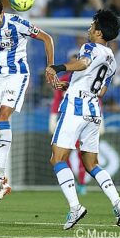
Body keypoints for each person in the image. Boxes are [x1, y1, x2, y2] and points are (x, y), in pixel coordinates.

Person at [0, 0, 56, 203]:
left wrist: (50, 66)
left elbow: (47, 38)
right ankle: (4, 182)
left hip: (17, 75)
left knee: (4, 116)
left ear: (2, 13)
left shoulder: (18, 24)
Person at [46, 9, 120, 230]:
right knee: (92, 164)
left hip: (76, 107)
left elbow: (83, 64)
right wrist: (70, 84)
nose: (89, 29)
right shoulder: (112, 61)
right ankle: (117, 201)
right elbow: (100, 91)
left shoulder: (89, 47)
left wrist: (58, 67)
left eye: (92, 26)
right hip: (93, 110)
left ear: (99, 32)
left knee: (57, 158)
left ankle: (75, 207)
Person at [49, 51, 87, 195]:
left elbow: (96, 99)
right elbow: (57, 100)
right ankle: (71, 181)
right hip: (67, 120)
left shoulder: (85, 80)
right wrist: (53, 117)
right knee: (64, 154)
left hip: (83, 120)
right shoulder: (63, 80)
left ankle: (82, 183)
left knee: (82, 154)